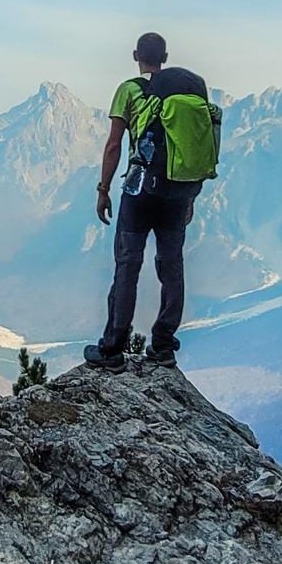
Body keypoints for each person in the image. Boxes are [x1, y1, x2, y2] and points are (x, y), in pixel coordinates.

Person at [85, 32, 211, 371]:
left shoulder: (129, 90)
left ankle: (112, 349)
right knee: (172, 266)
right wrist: (190, 196)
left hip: (139, 193)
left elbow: (113, 145)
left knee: (128, 266)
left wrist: (103, 189)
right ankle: (163, 345)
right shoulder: (189, 95)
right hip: (177, 192)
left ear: (135, 55)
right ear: (165, 56)